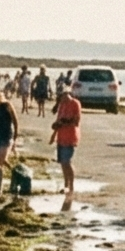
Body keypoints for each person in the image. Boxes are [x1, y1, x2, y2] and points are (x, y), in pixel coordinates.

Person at [50, 84, 83, 214]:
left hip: (71, 136)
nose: (61, 98)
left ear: (67, 94)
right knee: (62, 163)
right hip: (61, 136)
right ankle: (65, 184)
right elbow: (58, 121)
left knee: (67, 161)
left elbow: (76, 121)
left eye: (63, 95)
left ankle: (71, 186)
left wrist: (64, 122)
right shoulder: (62, 105)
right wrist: (53, 134)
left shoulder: (75, 104)